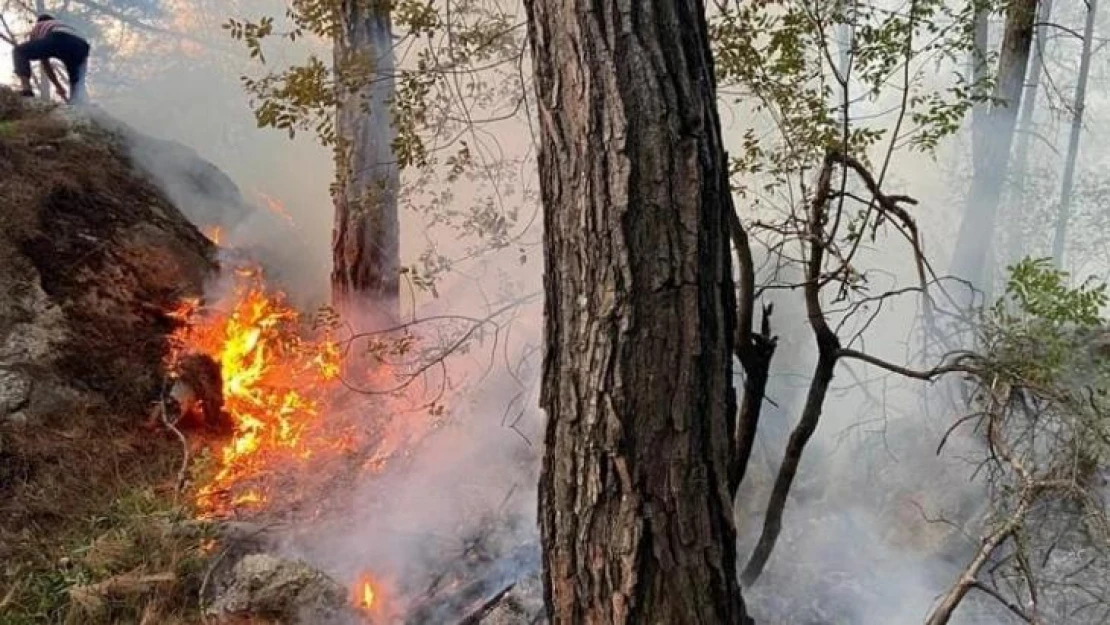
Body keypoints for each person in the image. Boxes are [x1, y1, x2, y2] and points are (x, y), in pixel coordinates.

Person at [11, 14, 90, 104]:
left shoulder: (39, 26)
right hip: (82, 45)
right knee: (77, 81)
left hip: (58, 37)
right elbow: (82, 65)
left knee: (19, 51)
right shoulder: (63, 25)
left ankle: (27, 90)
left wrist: (58, 85)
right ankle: (78, 103)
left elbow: (45, 63)